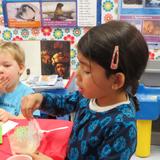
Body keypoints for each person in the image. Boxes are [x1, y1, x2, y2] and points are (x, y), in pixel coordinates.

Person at [21, 20, 149, 160]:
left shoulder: (122, 127)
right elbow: (65, 102)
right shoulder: (91, 96)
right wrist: (41, 98)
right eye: (79, 65)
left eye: (87, 70)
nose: (77, 74)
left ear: (116, 80)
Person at [0, 42, 35, 122]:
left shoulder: (28, 94)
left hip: (17, 132)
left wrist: (10, 117)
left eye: (6, 65)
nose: (0, 70)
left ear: (20, 68)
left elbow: (30, 120)